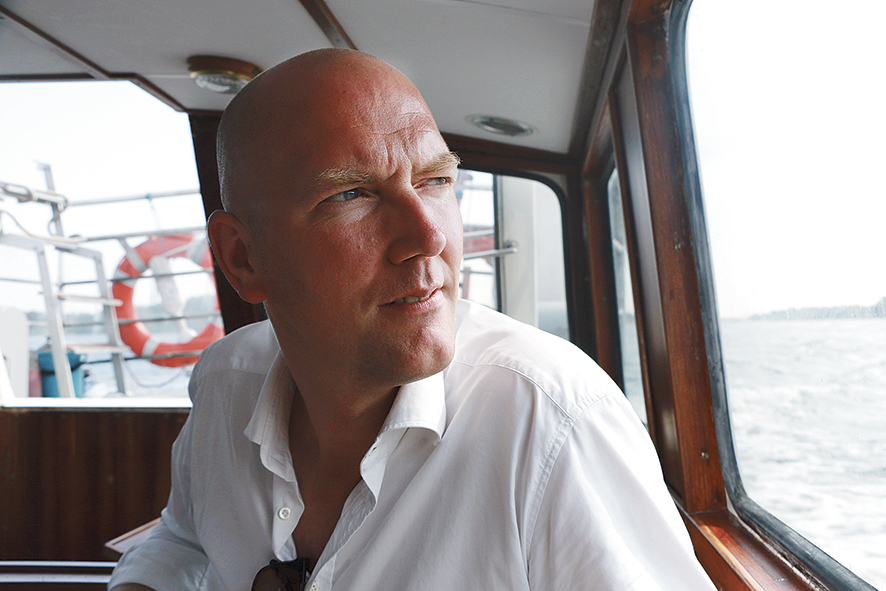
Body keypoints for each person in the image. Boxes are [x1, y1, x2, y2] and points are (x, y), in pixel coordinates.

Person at [109, 49, 716, 591]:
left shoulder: (553, 422)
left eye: (435, 181)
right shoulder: (224, 383)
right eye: (350, 195)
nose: (429, 237)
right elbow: (184, 539)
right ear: (243, 257)